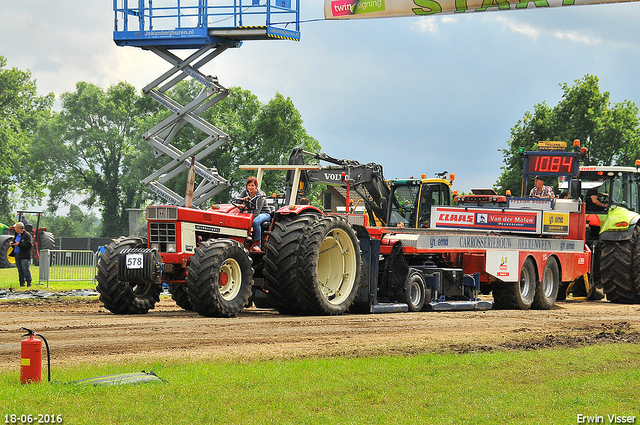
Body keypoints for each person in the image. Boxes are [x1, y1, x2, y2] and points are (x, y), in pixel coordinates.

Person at [238, 176, 271, 252]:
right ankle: (244, 238)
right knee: (240, 218)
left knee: (255, 221)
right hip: (251, 212)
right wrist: (243, 200)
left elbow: (257, 211)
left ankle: (257, 244)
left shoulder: (260, 196)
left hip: (264, 213)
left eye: (252, 185)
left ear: (256, 186)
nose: (250, 187)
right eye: (249, 185)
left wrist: (249, 221)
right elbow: (238, 201)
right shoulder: (245, 192)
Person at [10, 222, 33, 287]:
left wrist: (19, 244)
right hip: (17, 255)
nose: (15, 229)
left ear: (19, 228)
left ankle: (29, 282)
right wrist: (12, 244)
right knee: (19, 270)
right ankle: (21, 283)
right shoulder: (16, 235)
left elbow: (29, 245)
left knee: (25, 269)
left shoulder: (27, 235)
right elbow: (15, 242)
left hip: (24, 256)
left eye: (16, 228)